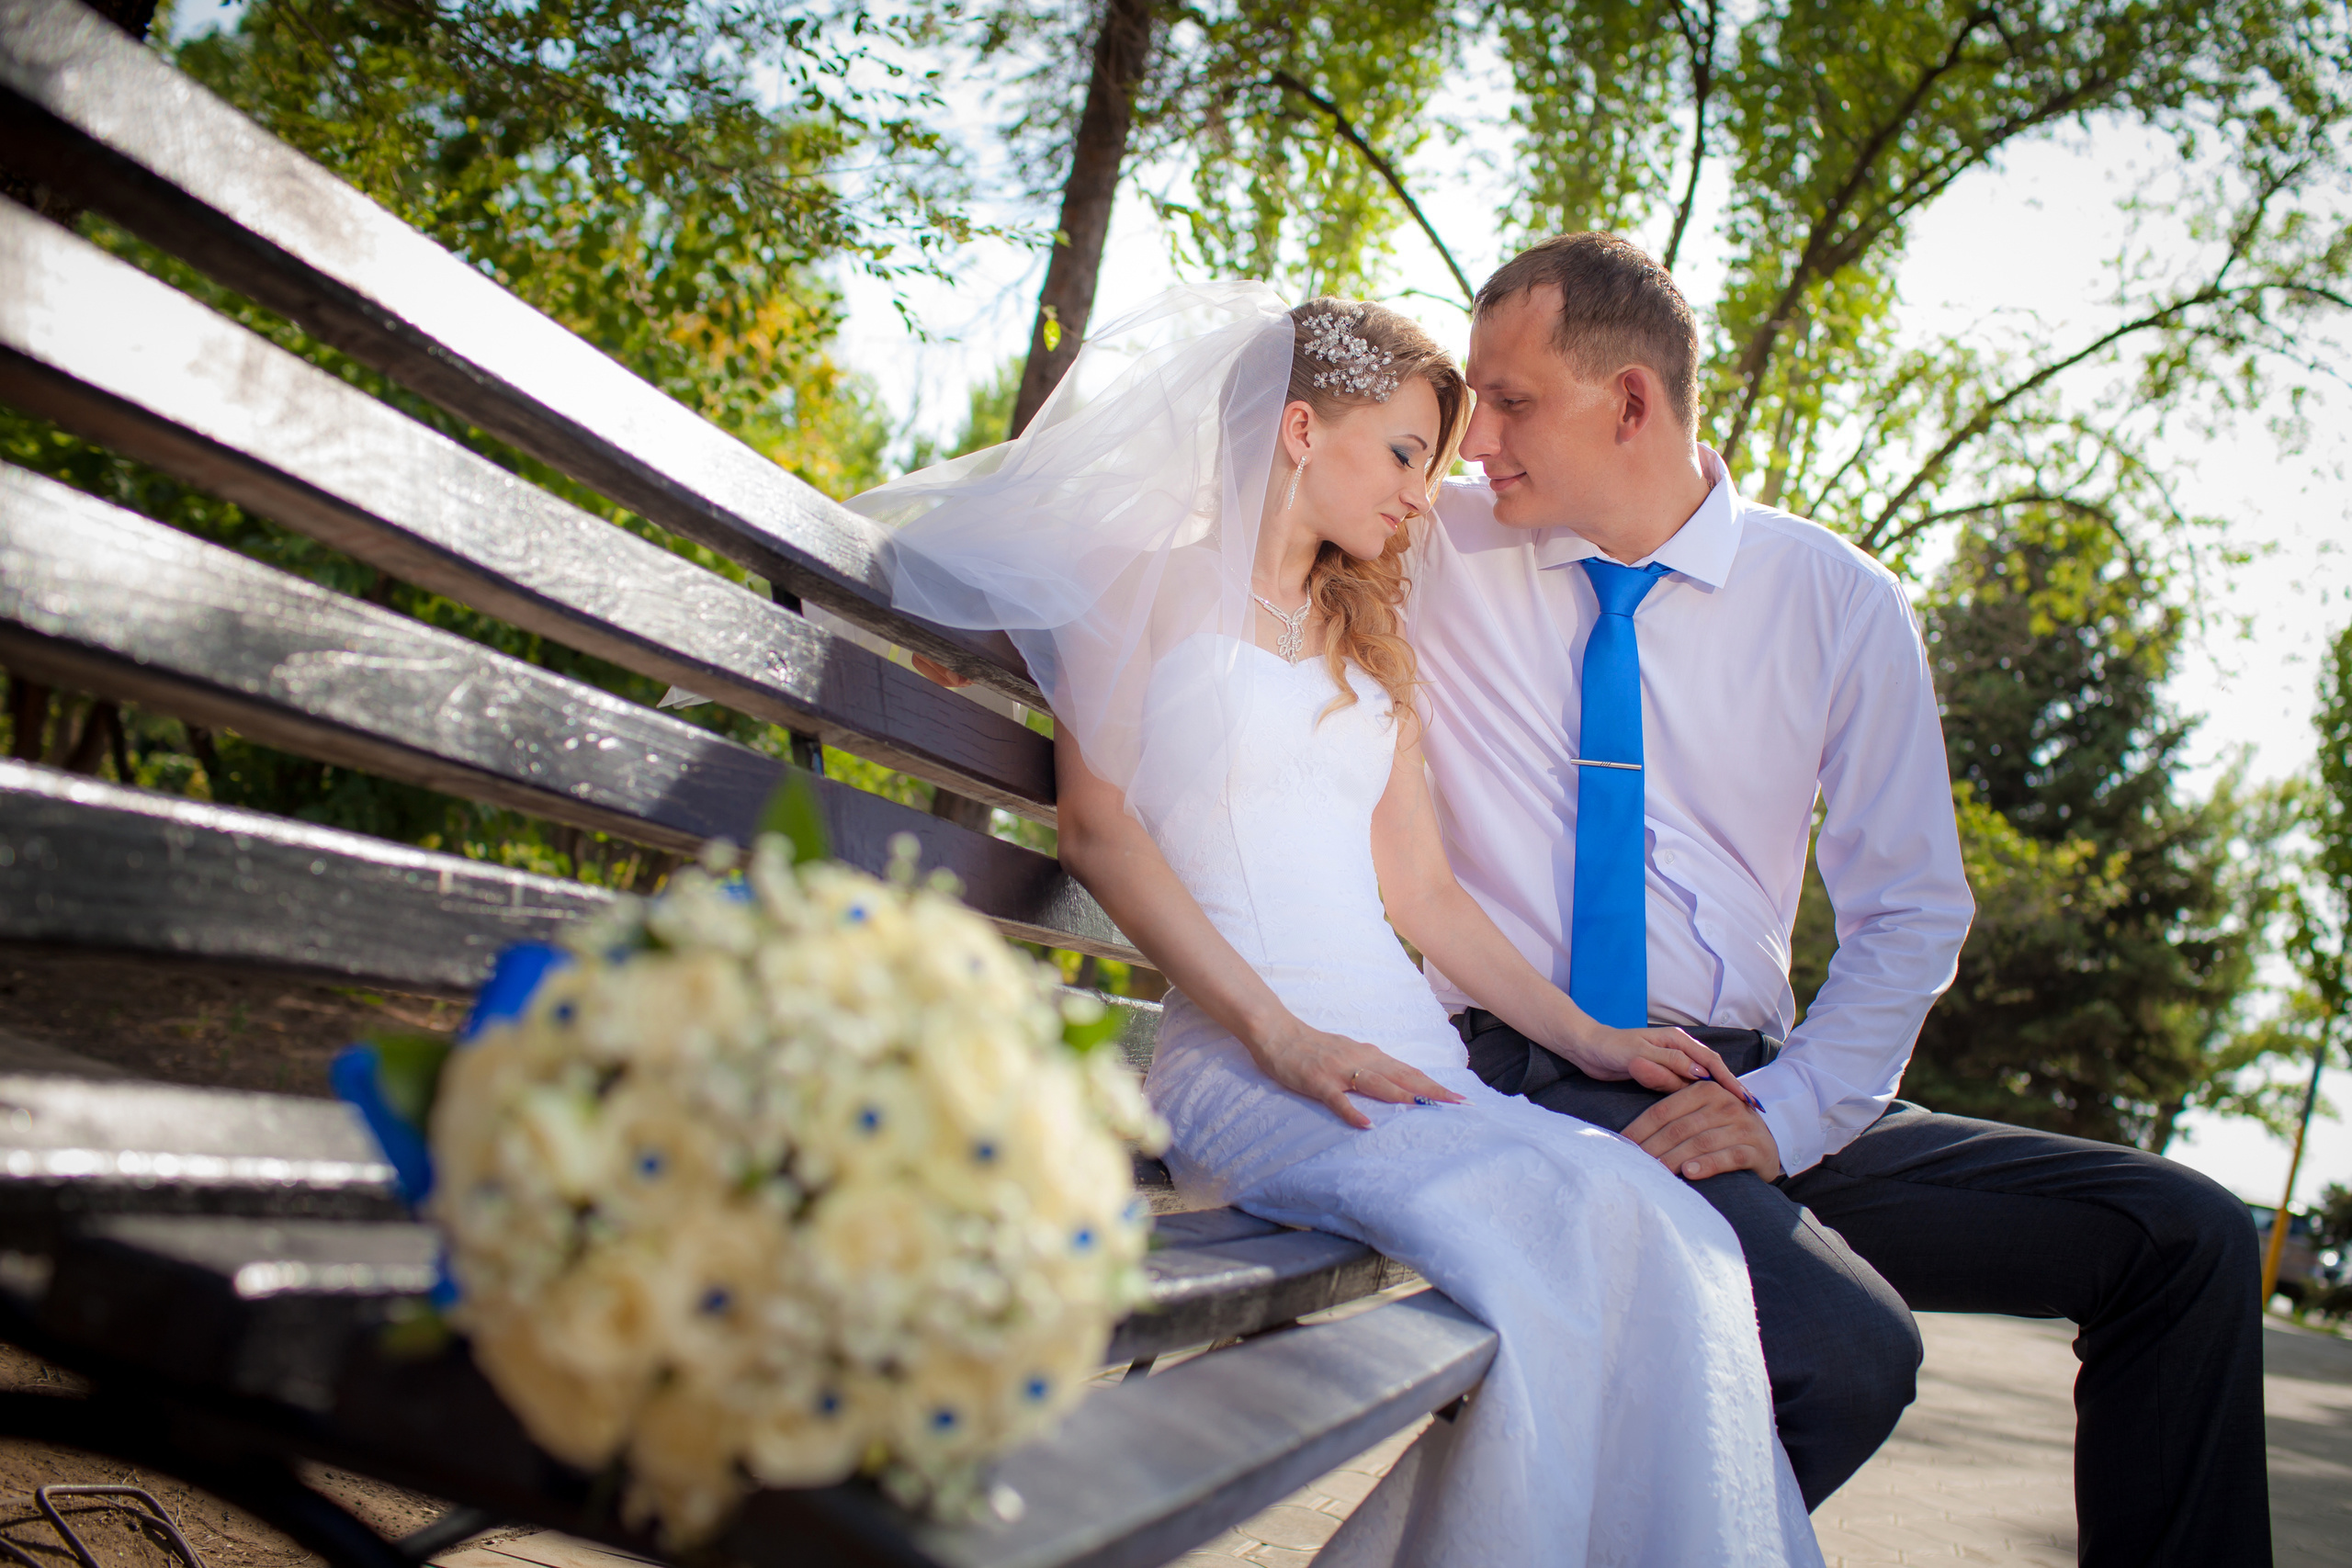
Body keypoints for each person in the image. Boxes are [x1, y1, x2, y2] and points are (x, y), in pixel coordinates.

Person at [857, 282, 1822, 1566]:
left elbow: (1424, 897)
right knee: (1547, 1242)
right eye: (1409, 453)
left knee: (1670, 1228)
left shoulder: (1370, 640)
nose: (1426, 494)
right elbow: (1098, 833)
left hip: (1405, 1054)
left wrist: (1594, 1039)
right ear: (1302, 428)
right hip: (1250, 1056)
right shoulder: (1139, 591)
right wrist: (1284, 1037)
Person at [1410, 231, 2270, 1567]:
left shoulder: (1840, 601)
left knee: (2184, 1237)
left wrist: (1787, 1111)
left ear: (1630, 401)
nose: (1477, 440)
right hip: (1544, 1074)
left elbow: (1911, 911)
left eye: (1510, 401)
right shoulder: (1434, 542)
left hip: (1749, 1089)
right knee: (1843, 1348)